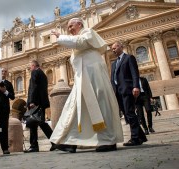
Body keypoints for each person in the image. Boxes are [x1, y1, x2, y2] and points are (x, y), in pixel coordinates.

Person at [50, 18, 123, 152]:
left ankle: (108, 140)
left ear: (80, 24)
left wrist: (61, 36)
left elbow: (80, 42)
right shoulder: (78, 40)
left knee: (100, 103)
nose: (70, 29)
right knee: (76, 106)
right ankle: (69, 141)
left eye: (71, 26)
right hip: (82, 76)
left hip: (92, 72)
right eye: (68, 28)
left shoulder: (88, 32)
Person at [110, 41, 147, 146]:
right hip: (118, 91)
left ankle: (135, 138)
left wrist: (136, 86)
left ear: (121, 47)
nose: (113, 50)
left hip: (127, 89)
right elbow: (112, 79)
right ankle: (141, 137)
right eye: (112, 49)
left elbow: (135, 73)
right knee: (127, 114)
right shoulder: (113, 64)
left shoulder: (129, 58)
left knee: (130, 113)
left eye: (115, 48)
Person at [25, 60, 54, 153]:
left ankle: (34, 146)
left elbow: (33, 87)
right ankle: (55, 141)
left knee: (34, 123)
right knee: (41, 123)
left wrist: (32, 101)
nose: (30, 68)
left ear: (33, 66)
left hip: (36, 102)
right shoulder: (43, 74)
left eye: (30, 67)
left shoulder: (35, 72)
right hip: (42, 102)